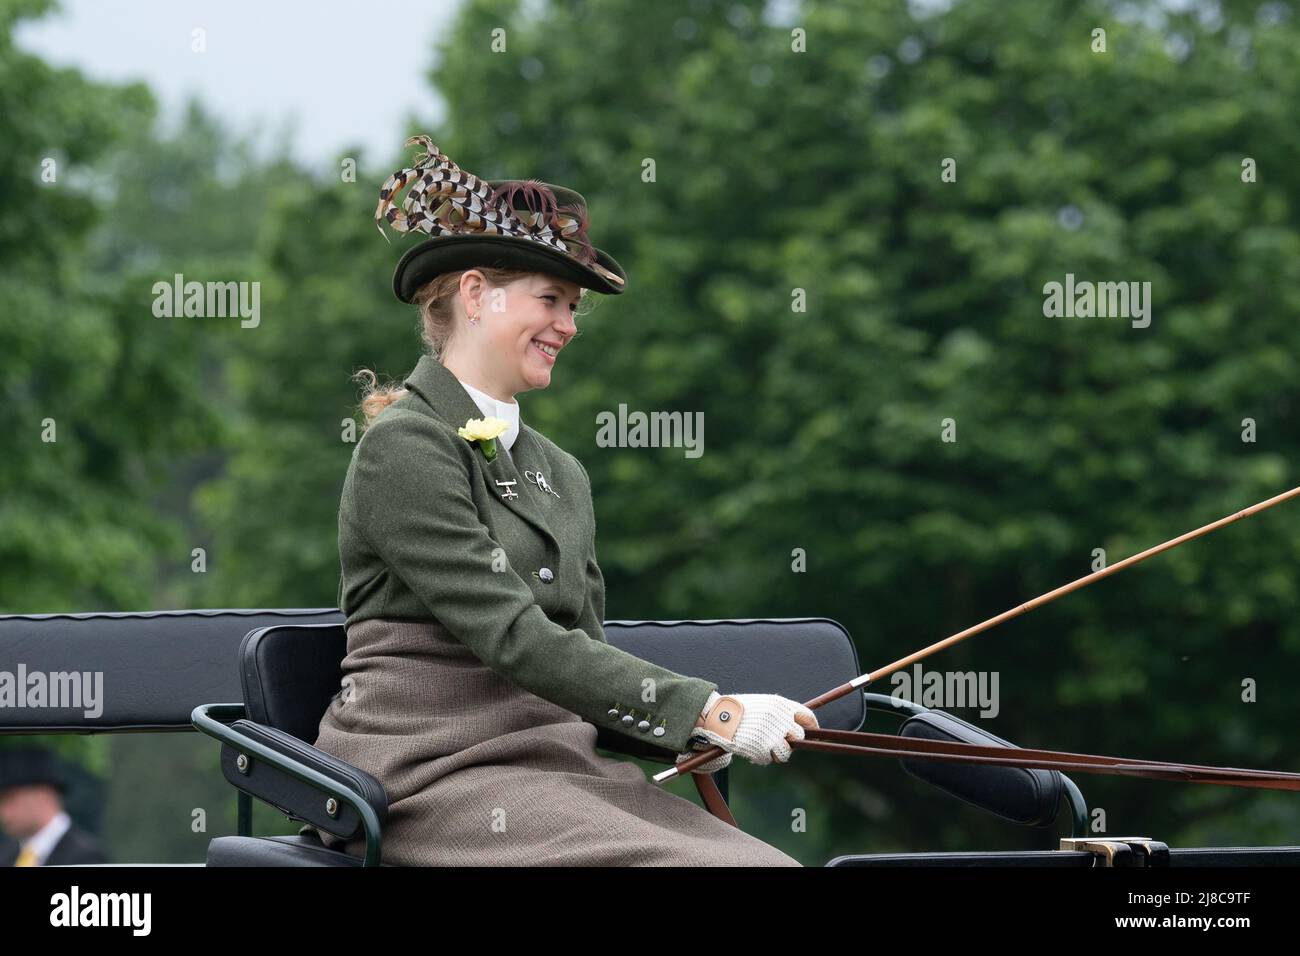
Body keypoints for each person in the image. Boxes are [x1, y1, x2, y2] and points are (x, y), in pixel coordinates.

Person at [302, 137, 816, 865]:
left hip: (560, 769)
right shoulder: (406, 448)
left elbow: (583, 657)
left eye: (573, 307)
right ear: (476, 294)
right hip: (435, 773)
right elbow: (514, 636)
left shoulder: (561, 472)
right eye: (550, 300)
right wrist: (709, 709)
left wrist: (699, 731)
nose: (568, 326)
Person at [0, 747, 108, 866]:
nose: (3, 811)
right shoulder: (7, 855)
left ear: (42, 795)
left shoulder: (87, 858)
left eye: (9, 798)